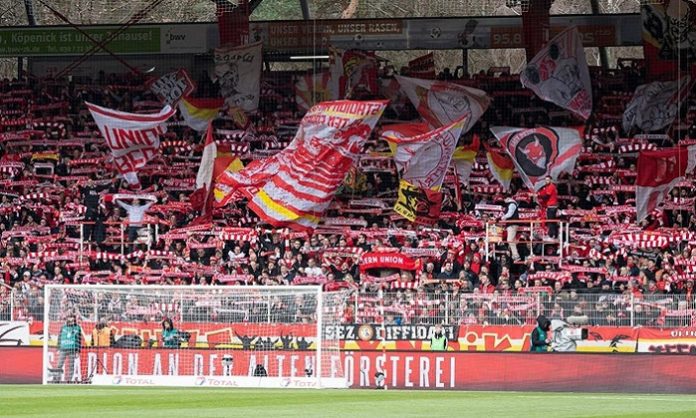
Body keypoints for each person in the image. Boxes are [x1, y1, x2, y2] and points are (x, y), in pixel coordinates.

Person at [56, 314, 83, 381]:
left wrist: (78, 351)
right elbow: (59, 337)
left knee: (71, 366)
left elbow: (79, 340)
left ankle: (69, 380)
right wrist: (58, 348)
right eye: (69, 319)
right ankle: (56, 379)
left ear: (74, 319)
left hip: (72, 349)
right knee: (59, 365)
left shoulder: (77, 328)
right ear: (67, 319)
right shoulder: (63, 327)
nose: (71, 320)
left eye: (72, 319)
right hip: (63, 349)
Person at [501, 196, 521, 261]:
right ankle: (514, 255)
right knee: (512, 240)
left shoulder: (512, 204)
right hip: (511, 224)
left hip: (512, 224)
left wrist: (502, 218)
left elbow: (510, 214)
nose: (504, 200)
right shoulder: (511, 204)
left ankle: (516, 255)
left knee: (510, 240)